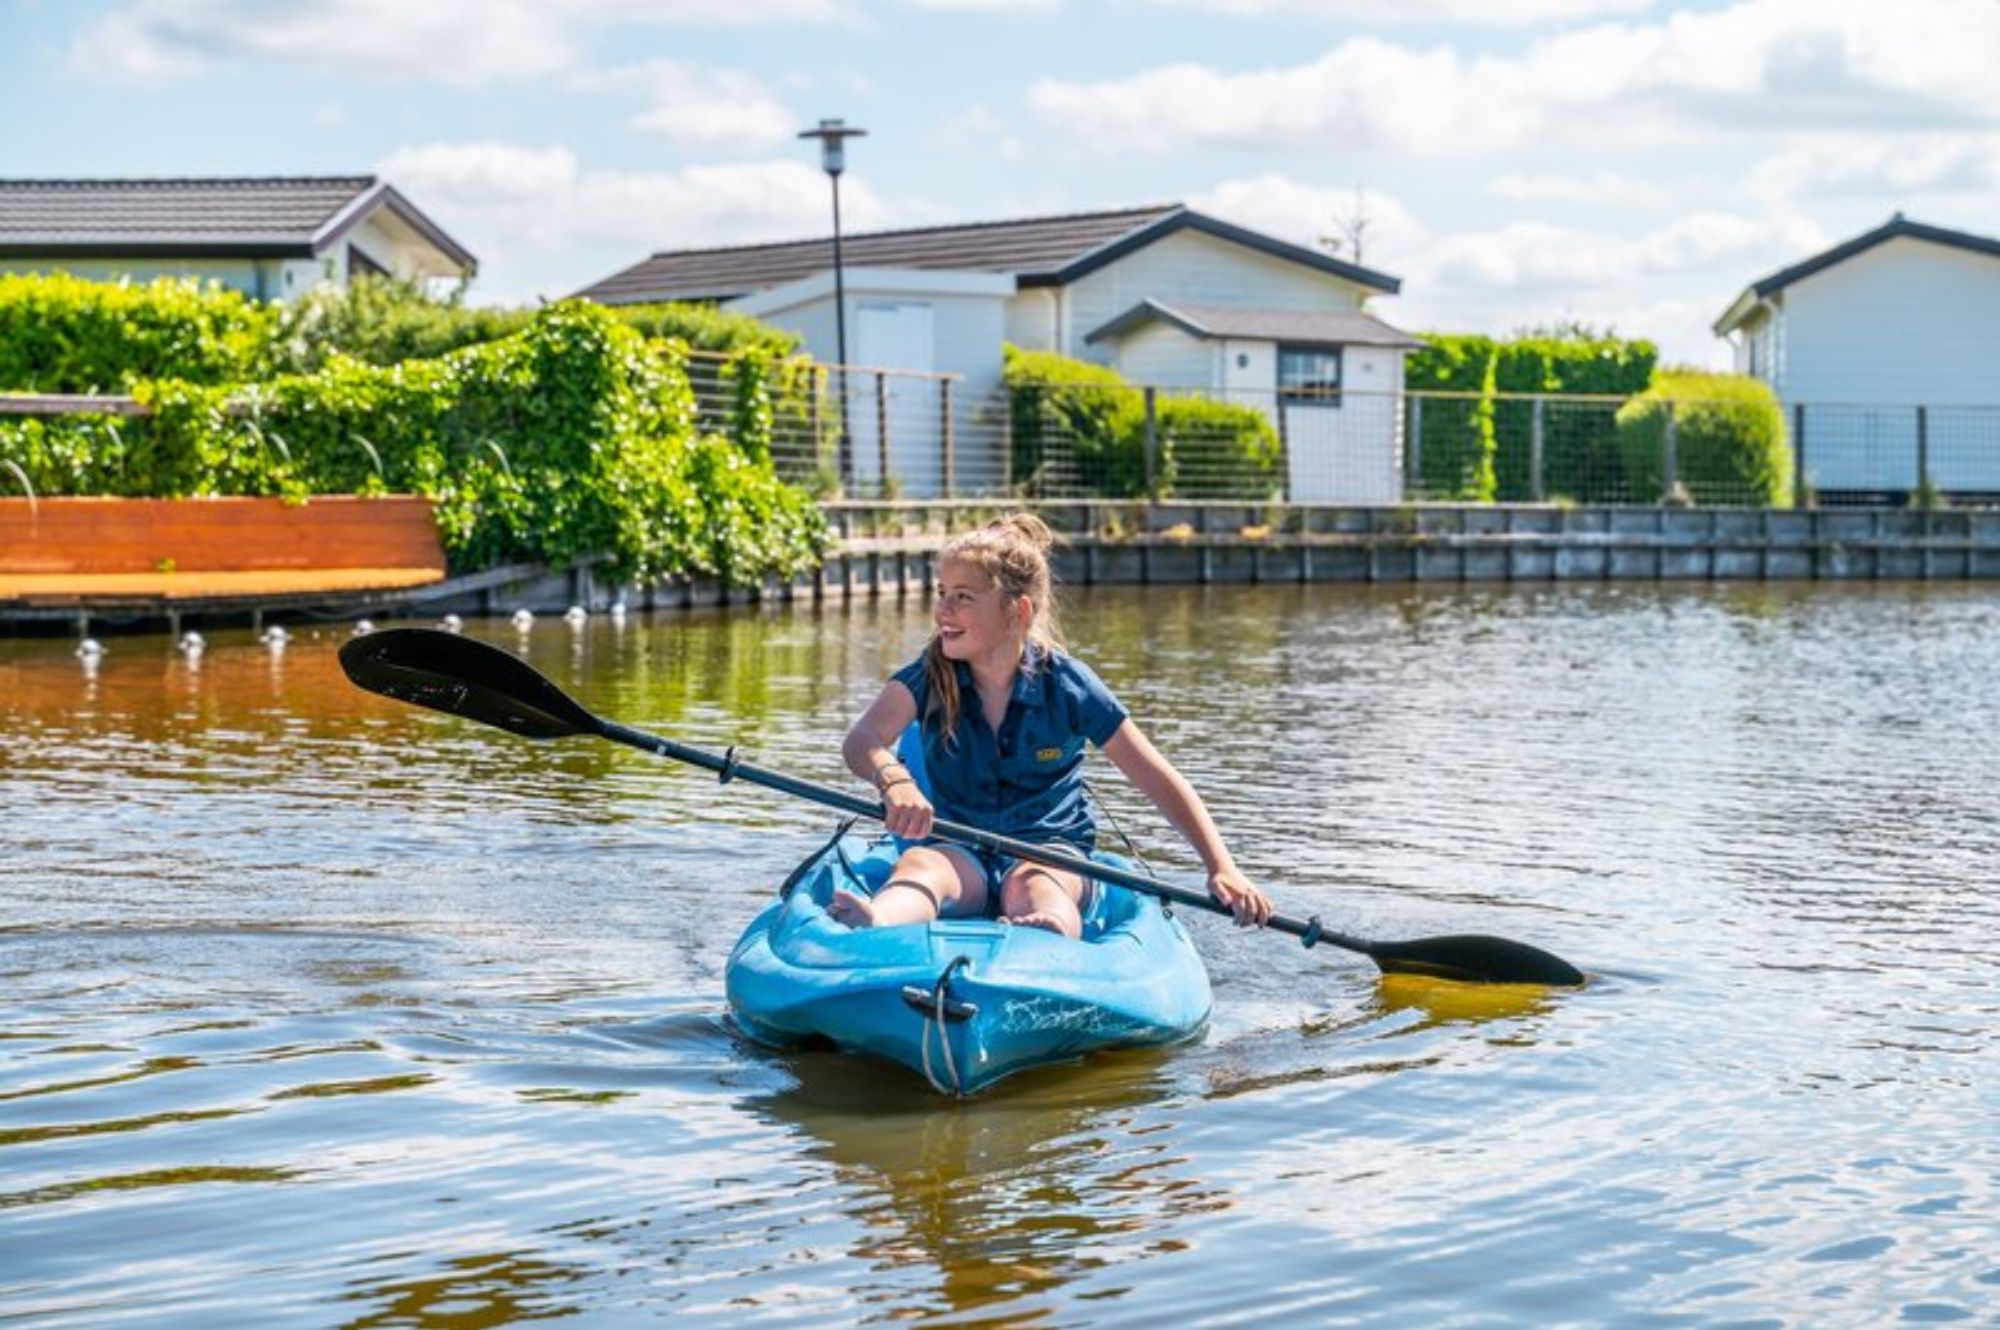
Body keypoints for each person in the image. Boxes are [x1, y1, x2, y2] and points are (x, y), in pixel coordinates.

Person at [830, 512, 1273, 939]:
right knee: (922, 867)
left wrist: (1221, 866)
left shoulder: (1069, 685)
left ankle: (1050, 928)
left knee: (1033, 884)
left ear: (1017, 611)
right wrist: (894, 780)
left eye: (962, 596)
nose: (942, 609)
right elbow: (862, 740)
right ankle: (881, 920)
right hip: (960, 850)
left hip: (1050, 851)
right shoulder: (928, 675)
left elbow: (1156, 778)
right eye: (941, 592)